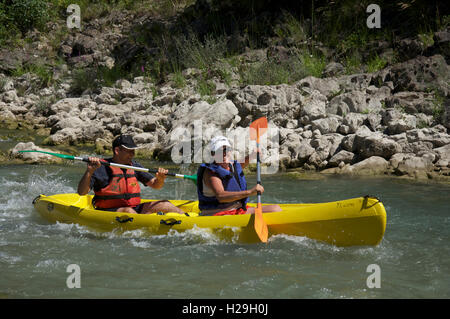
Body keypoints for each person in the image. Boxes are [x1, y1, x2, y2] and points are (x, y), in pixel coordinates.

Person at [77, 134, 184, 214]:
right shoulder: (100, 167)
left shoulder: (135, 166)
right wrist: (89, 171)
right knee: (128, 211)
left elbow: (156, 185)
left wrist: (160, 179)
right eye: (129, 151)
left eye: (133, 151)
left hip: (134, 209)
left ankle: (190, 220)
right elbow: (82, 192)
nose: (132, 154)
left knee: (164, 204)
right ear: (117, 150)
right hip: (108, 211)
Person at [197, 136, 282, 216]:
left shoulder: (229, 165)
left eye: (226, 149)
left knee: (276, 208)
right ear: (213, 154)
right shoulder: (211, 173)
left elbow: (238, 166)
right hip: (218, 213)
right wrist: (250, 192)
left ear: (230, 151)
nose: (224, 153)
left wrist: (251, 156)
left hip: (234, 209)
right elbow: (221, 196)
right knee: (275, 209)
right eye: (219, 151)